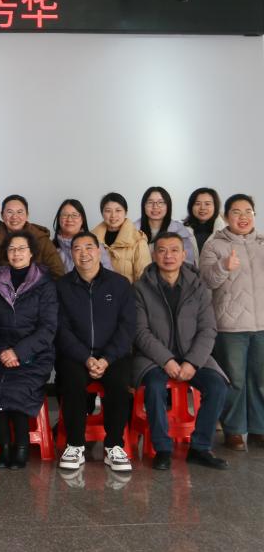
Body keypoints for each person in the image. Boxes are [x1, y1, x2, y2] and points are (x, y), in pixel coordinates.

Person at [133, 232, 229, 470]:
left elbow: (208, 329)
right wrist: (166, 360)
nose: (168, 256)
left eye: (174, 250)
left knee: (218, 386)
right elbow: (140, 332)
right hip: (153, 358)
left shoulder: (198, 286)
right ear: (154, 255)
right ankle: (162, 449)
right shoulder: (140, 288)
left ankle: (200, 448)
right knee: (155, 387)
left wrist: (192, 362)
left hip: (193, 356)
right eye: (162, 250)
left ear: (184, 254)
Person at [55, 232, 135, 472]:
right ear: (71, 254)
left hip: (113, 356)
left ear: (99, 251)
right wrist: (85, 358)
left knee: (120, 384)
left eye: (89, 247)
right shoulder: (61, 286)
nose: (84, 253)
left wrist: (106, 359)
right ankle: (75, 445)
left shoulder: (119, 284)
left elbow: (127, 327)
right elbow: (60, 328)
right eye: (77, 249)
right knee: (71, 382)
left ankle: (114, 445)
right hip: (76, 356)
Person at [0, 230, 58, 469]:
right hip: (1, 354)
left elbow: (48, 328)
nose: (16, 253)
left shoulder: (45, 283)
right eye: (12, 249)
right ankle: (5, 447)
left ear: (31, 252)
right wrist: (2, 350)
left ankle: (22, 446)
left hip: (34, 355)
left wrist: (18, 352)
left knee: (18, 389)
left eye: (21, 249)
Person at [199, 194, 264, 451]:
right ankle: (234, 430)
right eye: (236, 212)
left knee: (260, 380)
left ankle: (259, 429)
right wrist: (224, 266)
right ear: (226, 217)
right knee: (235, 380)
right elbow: (206, 281)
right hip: (230, 326)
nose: (243, 217)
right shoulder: (214, 245)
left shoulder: (262, 242)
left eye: (248, 211)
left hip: (261, 325)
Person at [0, 194, 66, 279]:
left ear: (27, 215)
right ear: (2, 215)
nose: (14, 216)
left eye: (20, 212)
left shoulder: (41, 239)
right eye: (10, 212)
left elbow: (58, 273)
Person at [92, 193, 151, 283]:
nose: (113, 215)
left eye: (118, 210)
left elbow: (144, 280)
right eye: (108, 211)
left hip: (128, 291)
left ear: (125, 212)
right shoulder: (91, 239)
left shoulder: (138, 240)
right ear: (102, 213)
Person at [136, 187, 198, 267]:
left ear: (168, 206)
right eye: (150, 202)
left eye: (160, 202)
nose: (155, 206)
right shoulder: (132, 231)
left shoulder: (180, 232)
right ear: (143, 205)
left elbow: (187, 264)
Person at [52, 199, 112, 273]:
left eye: (74, 215)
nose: (69, 219)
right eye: (65, 215)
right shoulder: (50, 247)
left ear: (82, 219)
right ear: (59, 218)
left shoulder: (95, 246)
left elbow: (109, 275)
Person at [184, 187, 225, 254]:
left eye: (207, 204)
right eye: (197, 204)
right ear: (191, 206)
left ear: (215, 206)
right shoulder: (181, 231)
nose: (202, 208)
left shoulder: (225, 231)